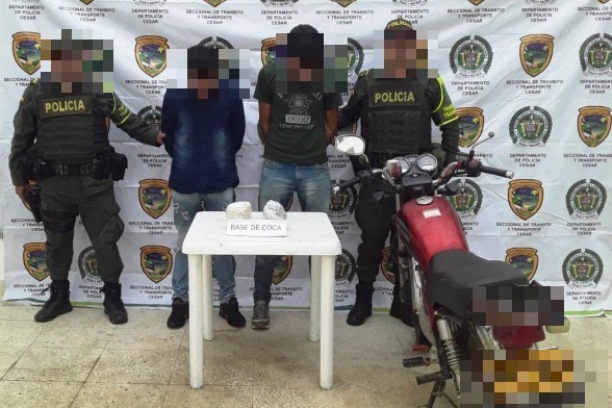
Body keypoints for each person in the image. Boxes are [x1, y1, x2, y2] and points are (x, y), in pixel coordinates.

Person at [8, 29, 165, 324]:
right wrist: (18, 180)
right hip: (54, 185)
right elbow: (21, 140)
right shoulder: (36, 92)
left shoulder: (97, 89)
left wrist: (156, 137)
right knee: (56, 244)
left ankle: (112, 297)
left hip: (94, 184)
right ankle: (59, 297)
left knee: (105, 242)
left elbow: (127, 120)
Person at [337, 19, 460, 327]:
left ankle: (401, 303)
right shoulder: (368, 81)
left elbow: (450, 125)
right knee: (371, 242)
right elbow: (346, 117)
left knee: (409, 245)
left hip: (417, 178)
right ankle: (363, 300)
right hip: (378, 175)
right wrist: (320, 122)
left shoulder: (429, 81)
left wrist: (447, 165)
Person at [251, 24, 343, 330]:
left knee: (320, 240)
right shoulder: (270, 72)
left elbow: (332, 124)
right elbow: (264, 125)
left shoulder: (328, 73)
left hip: (314, 168)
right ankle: (261, 302)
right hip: (277, 165)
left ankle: (321, 304)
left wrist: (312, 147)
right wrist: (284, 148)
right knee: (267, 238)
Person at [161, 43, 246, 329]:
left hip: (220, 183)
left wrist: (217, 160)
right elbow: (169, 136)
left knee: (223, 244)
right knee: (185, 243)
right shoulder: (175, 94)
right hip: (184, 184)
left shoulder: (230, 93)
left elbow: (236, 135)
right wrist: (187, 160)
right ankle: (180, 301)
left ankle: (228, 300)